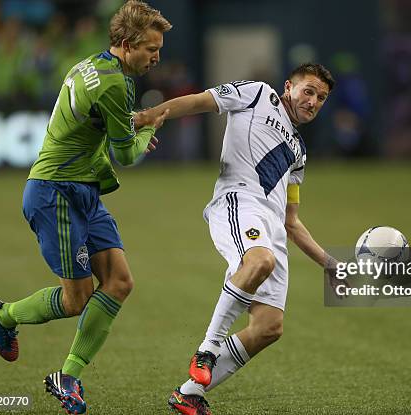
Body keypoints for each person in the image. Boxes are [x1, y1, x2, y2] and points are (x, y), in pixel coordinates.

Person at [0, 2, 171, 414]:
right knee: (77, 300)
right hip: (56, 193)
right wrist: (147, 129)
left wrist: (133, 121)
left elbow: (102, 124)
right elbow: (125, 154)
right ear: (126, 44)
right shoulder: (116, 85)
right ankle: (6, 317)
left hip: (82, 189)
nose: (157, 57)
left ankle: (68, 377)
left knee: (120, 282)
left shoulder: (93, 65)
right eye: (150, 48)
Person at [142, 63, 336, 415]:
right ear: (289, 86)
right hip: (239, 201)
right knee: (259, 261)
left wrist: (330, 263)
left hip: (273, 227)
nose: (313, 101)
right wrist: (150, 115)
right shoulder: (259, 94)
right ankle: (207, 348)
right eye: (308, 91)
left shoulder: (299, 152)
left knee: (268, 328)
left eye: (321, 98)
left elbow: (292, 222)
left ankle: (188, 394)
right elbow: (202, 101)